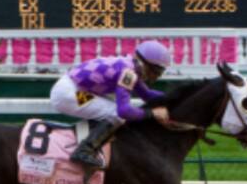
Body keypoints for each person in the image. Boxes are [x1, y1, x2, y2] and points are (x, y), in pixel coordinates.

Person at [50, 40, 173, 169]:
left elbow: (146, 94)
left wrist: (174, 98)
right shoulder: (128, 73)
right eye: (157, 72)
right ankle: (84, 151)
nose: (157, 76)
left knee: (111, 108)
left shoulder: (131, 67)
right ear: (146, 65)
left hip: (74, 89)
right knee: (116, 113)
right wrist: (151, 113)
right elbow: (124, 111)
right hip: (69, 93)